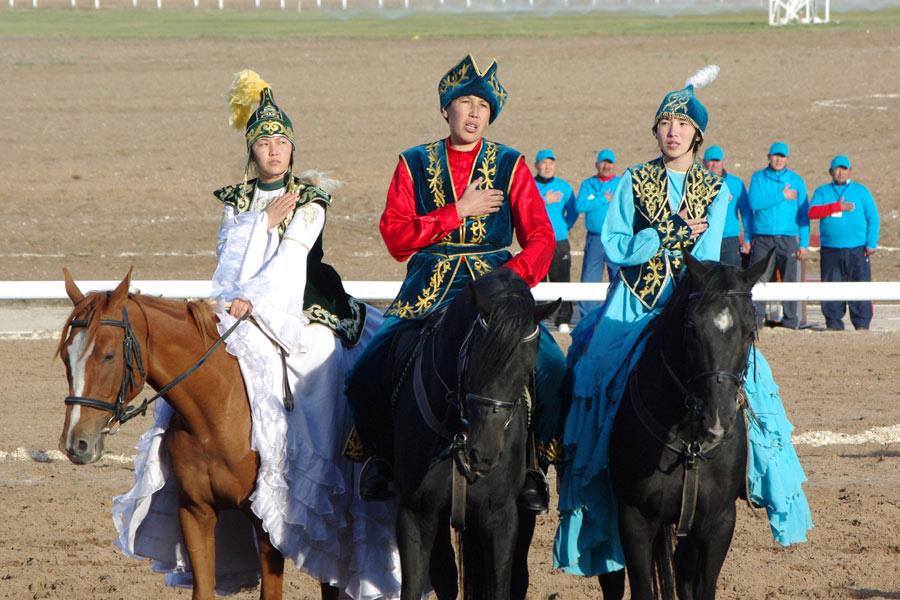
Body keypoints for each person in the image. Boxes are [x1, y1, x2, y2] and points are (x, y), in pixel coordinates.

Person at [112, 71, 403, 600]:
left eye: (281, 142)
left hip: (303, 304)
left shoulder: (309, 198)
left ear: (293, 148)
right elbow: (230, 263)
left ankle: (318, 458)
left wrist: (256, 294)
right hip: (239, 301)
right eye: (265, 143)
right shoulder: (239, 200)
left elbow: (292, 261)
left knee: (320, 358)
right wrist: (258, 226)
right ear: (253, 150)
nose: (274, 150)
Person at [553, 66, 813, 582]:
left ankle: (760, 476)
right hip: (635, 300)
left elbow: (705, 256)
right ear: (656, 131)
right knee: (591, 373)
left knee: (754, 382)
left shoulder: (714, 190)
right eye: (665, 122)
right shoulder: (633, 180)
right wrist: (667, 232)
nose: (673, 130)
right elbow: (620, 246)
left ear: (698, 134)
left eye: (682, 122)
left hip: (694, 301)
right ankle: (595, 477)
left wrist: (679, 249)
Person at [346, 54, 566, 514]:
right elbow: (397, 237)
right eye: (464, 103)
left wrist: (510, 281)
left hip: (498, 287)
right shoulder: (413, 163)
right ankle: (383, 459)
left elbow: (542, 237)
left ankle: (533, 468)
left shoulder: (511, 164)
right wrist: (457, 212)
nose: (473, 113)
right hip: (428, 287)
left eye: (482, 106)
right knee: (365, 371)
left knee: (552, 368)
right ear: (446, 109)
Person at [808, 155, 880, 330]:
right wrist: (836, 207)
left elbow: (873, 218)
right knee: (831, 287)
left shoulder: (861, 191)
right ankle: (833, 323)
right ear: (830, 172)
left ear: (850, 171)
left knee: (860, 286)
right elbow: (812, 212)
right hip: (831, 250)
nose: (841, 172)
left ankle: (862, 323)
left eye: (844, 169)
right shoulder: (822, 191)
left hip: (857, 249)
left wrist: (871, 243)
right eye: (837, 169)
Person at [748, 142, 810, 329]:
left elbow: (803, 213)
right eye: (775, 156)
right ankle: (756, 321)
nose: (778, 159)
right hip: (763, 238)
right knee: (758, 280)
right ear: (769, 156)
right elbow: (754, 203)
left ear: (787, 159)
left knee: (790, 280)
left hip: (788, 239)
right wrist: (782, 196)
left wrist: (804, 243)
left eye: (782, 156)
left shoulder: (796, 180)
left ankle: (791, 321)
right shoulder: (758, 178)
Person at [534, 148, 578, 332]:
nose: (548, 167)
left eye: (551, 163)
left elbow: (573, 211)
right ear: (536, 165)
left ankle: (563, 320)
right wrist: (544, 200)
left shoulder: (563, 186)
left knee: (562, 279)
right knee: (538, 280)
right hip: (537, 241)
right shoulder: (530, 185)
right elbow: (525, 207)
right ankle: (540, 319)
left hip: (559, 241)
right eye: (544, 163)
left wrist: (562, 228)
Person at [574, 149, 621, 319]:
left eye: (609, 163)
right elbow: (580, 206)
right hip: (594, 238)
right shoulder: (588, 184)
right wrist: (603, 199)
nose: (606, 166)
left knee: (618, 277)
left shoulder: (621, 183)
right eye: (603, 162)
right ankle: (587, 317)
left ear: (614, 165)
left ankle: (614, 315)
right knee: (589, 277)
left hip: (615, 238)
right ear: (597, 164)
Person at [703, 145, 753, 268]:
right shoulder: (697, 183)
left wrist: (747, 238)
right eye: (711, 161)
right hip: (705, 238)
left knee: (731, 279)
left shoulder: (735, 183)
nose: (715, 164)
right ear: (704, 162)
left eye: (717, 161)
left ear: (723, 161)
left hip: (729, 241)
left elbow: (746, 212)